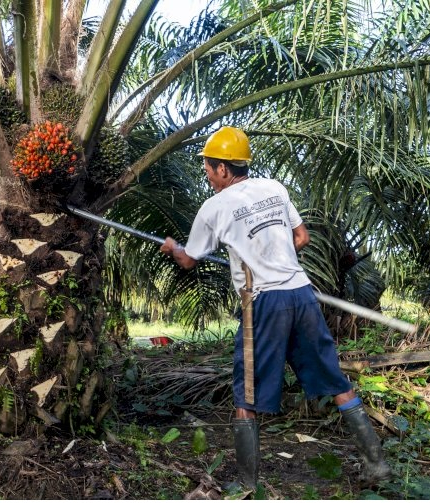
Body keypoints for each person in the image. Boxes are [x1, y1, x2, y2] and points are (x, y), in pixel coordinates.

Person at [160, 126, 391, 489]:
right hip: (301, 294)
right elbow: (302, 237)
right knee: (335, 379)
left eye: (208, 169)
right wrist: (272, 255)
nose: (207, 175)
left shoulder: (214, 207)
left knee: (247, 393)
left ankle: (247, 487)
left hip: (263, 302)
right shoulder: (274, 188)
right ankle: (377, 466)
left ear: (223, 168)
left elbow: (189, 260)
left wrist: (173, 248)